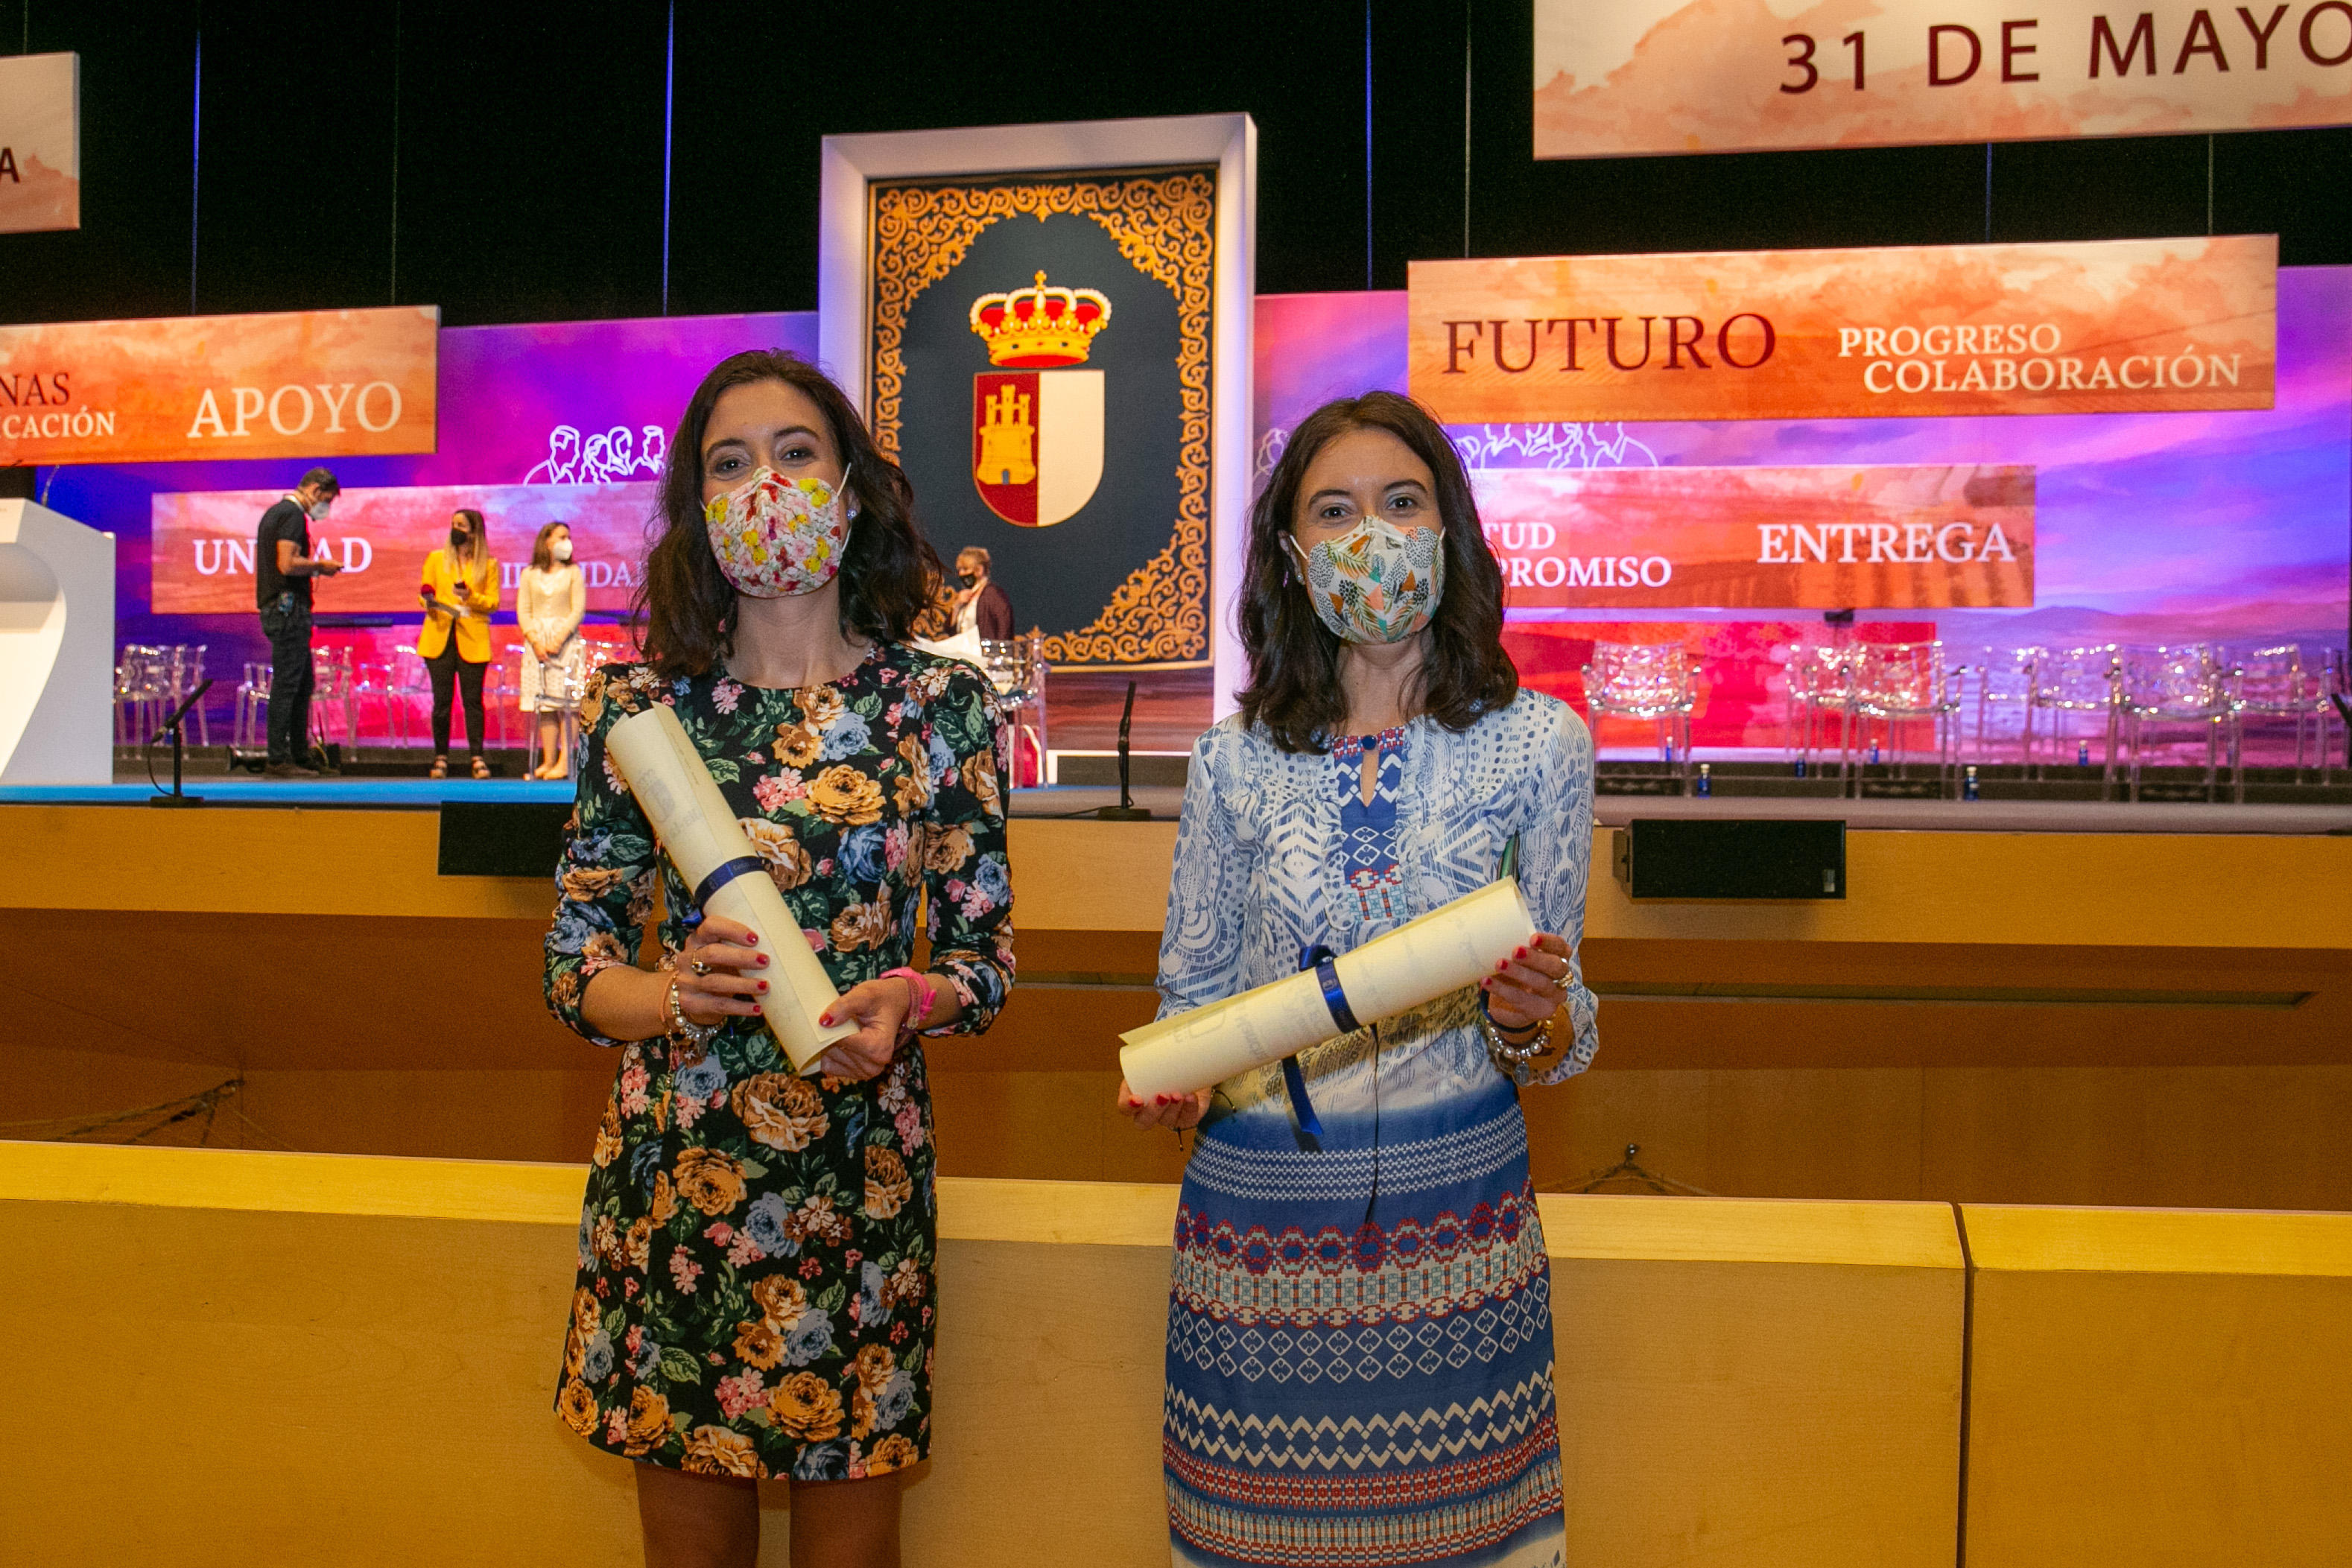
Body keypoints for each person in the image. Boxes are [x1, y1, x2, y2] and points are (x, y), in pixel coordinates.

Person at [543, 349, 1015, 1568]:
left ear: (851, 487)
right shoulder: (639, 712)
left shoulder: (941, 709)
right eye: (730, 462)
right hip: (678, 1196)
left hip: (861, 1196)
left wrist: (912, 996)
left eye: (796, 453)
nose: (766, 483)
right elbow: (578, 966)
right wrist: (671, 993)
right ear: (699, 507)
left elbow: (984, 957)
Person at [1117, 391, 1600, 1567]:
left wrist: (1532, 1018)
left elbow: (1565, 1029)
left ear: (1448, 531)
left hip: (1459, 1243)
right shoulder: (1231, 762)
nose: (1369, 535)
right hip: (1258, 1254)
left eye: (1400, 502)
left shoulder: (1541, 744)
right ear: (1292, 555)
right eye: (1333, 512)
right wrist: (1173, 1075)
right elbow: (1191, 992)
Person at [253, 467, 343, 778]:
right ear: (315, 490)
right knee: (288, 685)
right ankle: (278, 757)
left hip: (284, 609)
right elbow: (287, 564)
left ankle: (300, 754)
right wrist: (321, 566)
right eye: (326, 500)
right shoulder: (291, 515)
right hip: (287, 610)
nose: (325, 507)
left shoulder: (276, 513)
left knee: (302, 684)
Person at [416, 507, 501, 780]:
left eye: (462, 525)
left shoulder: (489, 564)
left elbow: (492, 603)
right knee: (442, 702)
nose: (456, 530)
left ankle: (477, 757)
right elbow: (424, 592)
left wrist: (470, 597)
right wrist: (429, 601)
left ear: (474, 531)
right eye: (453, 524)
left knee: (472, 701)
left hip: (472, 638)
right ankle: (440, 757)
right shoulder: (436, 559)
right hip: (439, 635)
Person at [519, 520, 588, 779]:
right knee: (545, 703)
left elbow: (577, 609)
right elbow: (524, 610)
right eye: (561, 537)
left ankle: (565, 761)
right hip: (537, 645)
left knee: (567, 703)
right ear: (546, 541)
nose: (566, 542)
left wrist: (557, 640)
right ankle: (548, 761)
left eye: (568, 537)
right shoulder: (529, 574)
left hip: (566, 643)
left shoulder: (573, 573)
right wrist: (536, 641)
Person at [949, 546, 1014, 641]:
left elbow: (1004, 626)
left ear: (979, 570)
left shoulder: (993, 594)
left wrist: (999, 648)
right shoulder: (965, 596)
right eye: (959, 570)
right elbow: (950, 630)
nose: (961, 573)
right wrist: (957, 606)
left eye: (965, 569)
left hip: (984, 648)